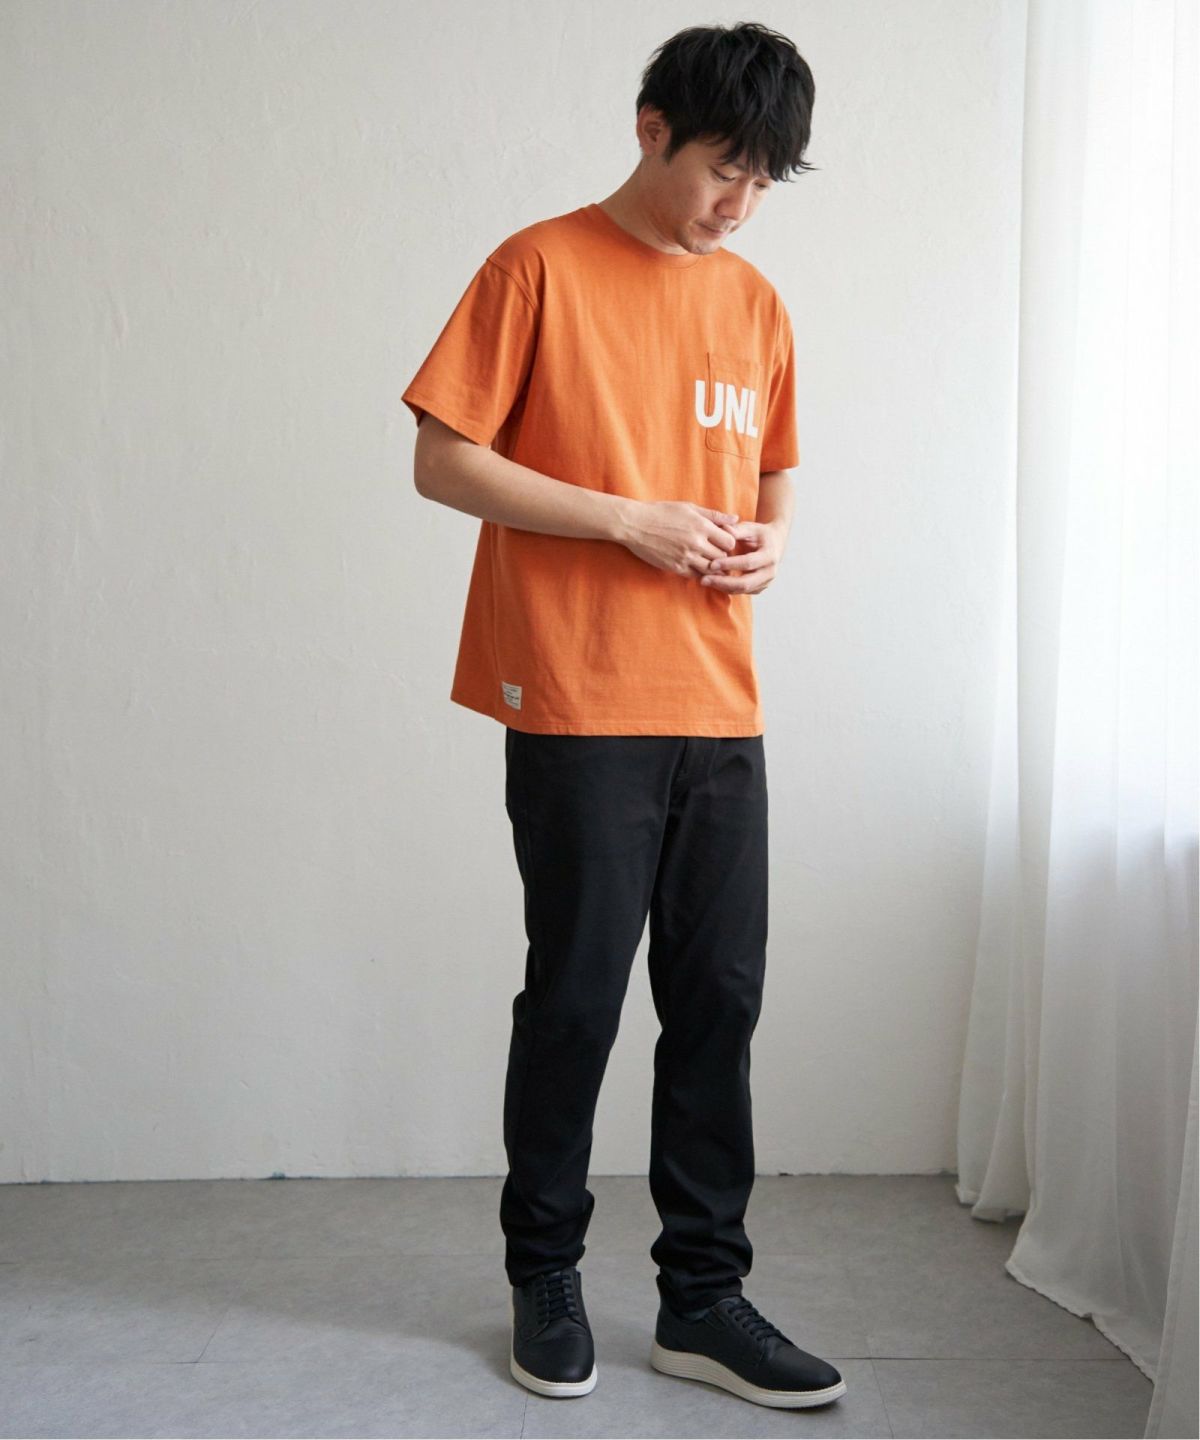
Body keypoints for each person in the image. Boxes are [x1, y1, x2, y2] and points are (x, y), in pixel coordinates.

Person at [401, 20, 846, 1412]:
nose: (739, 203)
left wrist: (773, 542)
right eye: (724, 168)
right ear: (652, 128)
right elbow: (442, 460)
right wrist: (626, 521)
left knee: (718, 1001)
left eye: (764, 180)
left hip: (719, 696)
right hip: (578, 690)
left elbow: (773, 471)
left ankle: (702, 1299)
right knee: (580, 997)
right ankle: (545, 1275)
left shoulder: (756, 303)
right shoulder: (537, 267)